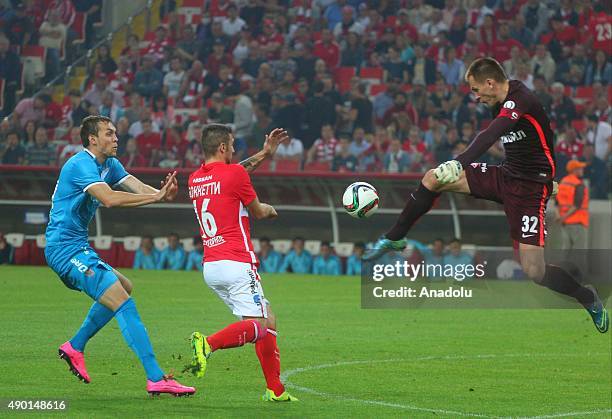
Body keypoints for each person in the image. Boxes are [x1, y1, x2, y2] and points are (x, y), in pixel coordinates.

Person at [364, 57, 608, 333]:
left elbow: (491, 134)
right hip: (504, 176)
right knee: (432, 178)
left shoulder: (520, 99)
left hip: (530, 189)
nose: (475, 96)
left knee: (534, 271)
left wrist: (460, 161)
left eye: (476, 89)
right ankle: (395, 237)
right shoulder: (497, 102)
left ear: (490, 83)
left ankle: (587, 297)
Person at [45, 115, 194, 395]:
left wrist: (162, 193)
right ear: (93, 139)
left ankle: (74, 346)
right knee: (123, 302)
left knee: (125, 286)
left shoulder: (109, 165)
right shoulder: (80, 164)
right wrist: (156, 197)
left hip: (78, 247)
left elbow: (137, 188)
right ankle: (155, 377)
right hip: (63, 250)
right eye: (110, 134)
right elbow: (110, 199)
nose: (116, 138)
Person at [187, 124, 297, 402]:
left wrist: (265, 153)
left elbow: (235, 173)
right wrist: (272, 211)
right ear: (223, 147)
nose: (235, 151)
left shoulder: (195, 179)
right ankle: (207, 343)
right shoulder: (234, 174)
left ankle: (276, 390)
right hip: (237, 262)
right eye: (232, 145)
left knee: (267, 320)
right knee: (259, 325)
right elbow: (258, 211)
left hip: (211, 266)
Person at [555, 160, 589, 252]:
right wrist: (563, 217)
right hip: (578, 222)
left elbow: (557, 203)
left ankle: (563, 267)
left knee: (565, 252)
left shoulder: (562, 183)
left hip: (565, 224)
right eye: (580, 168)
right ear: (574, 170)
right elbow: (577, 205)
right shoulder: (578, 184)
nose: (582, 170)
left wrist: (559, 217)